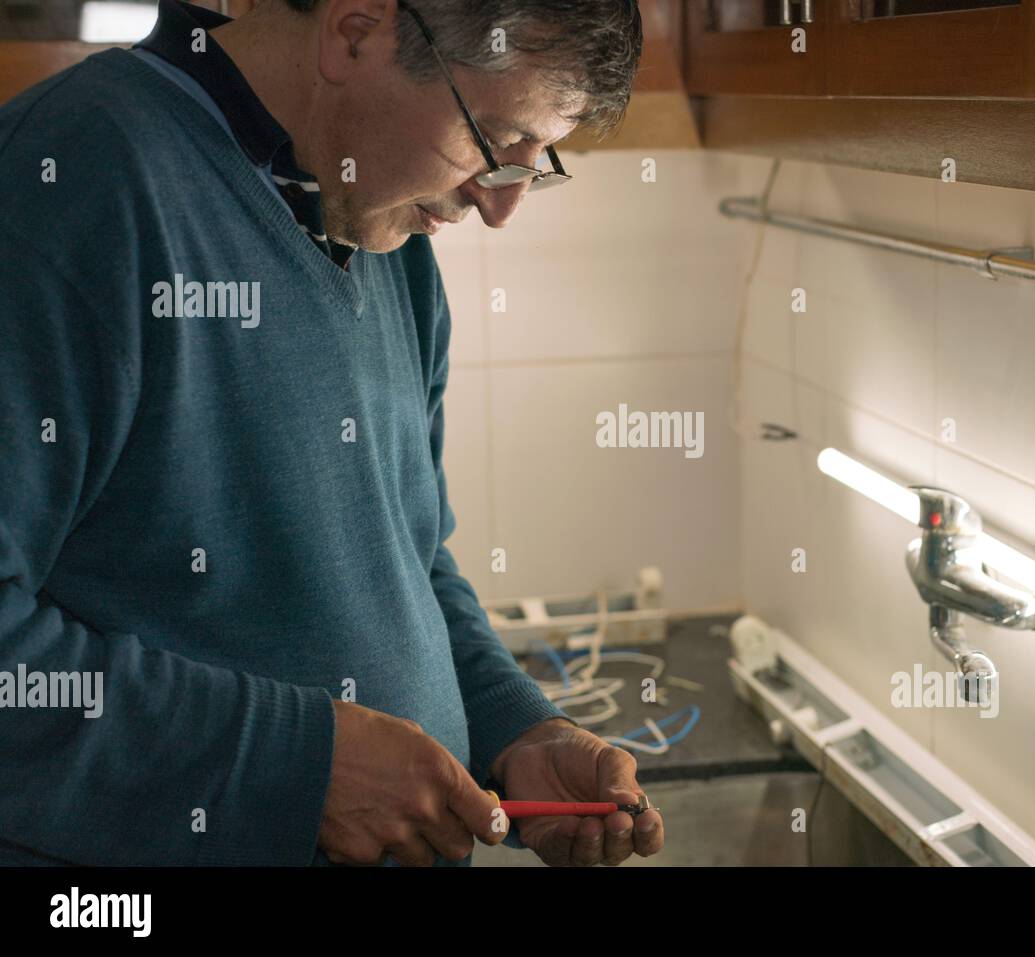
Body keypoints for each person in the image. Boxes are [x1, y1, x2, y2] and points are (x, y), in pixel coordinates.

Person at [0, 0, 662, 867]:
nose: (501, 207)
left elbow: (408, 559)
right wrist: (299, 766)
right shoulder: (70, 183)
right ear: (356, 29)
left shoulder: (383, 229)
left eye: (539, 163)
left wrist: (512, 725)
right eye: (494, 142)